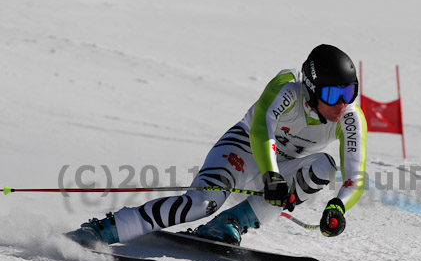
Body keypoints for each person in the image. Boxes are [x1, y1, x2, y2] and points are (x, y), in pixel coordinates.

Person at [66, 44, 367, 246]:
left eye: (349, 92)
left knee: (323, 166)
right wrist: (271, 174)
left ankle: (231, 223)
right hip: (243, 151)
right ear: (311, 88)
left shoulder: (350, 118)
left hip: (281, 168)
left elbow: (356, 174)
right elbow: (262, 130)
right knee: (199, 205)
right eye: (331, 94)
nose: (341, 104)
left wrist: (338, 206)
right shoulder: (287, 88)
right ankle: (102, 230)